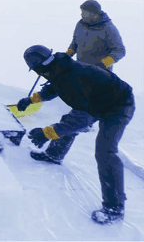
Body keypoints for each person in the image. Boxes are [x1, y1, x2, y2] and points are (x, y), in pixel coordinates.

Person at [17, 45, 135, 225]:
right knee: (68, 122)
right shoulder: (60, 68)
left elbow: (81, 119)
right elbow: (55, 88)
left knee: (105, 151)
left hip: (118, 106)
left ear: (40, 67)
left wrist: (46, 133)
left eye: (35, 70)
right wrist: (32, 100)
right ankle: (54, 154)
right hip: (96, 101)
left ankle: (114, 207)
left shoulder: (73, 77)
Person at [67, 0, 125, 71]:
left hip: (99, 71)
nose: (81, 15)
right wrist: (71, 50)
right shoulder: (80, 24)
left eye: (85, 13)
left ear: (94, 15)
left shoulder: (108, 29)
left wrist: (111, 59)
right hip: (81, 67)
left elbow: (120, 49)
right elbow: (75, 40)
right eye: (81, 12)